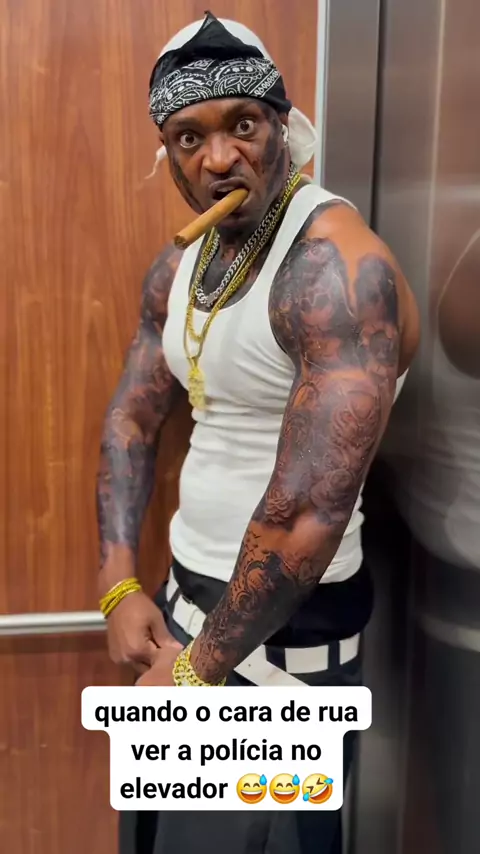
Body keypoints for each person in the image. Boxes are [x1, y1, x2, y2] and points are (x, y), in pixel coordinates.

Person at [96, 12, 420, 854]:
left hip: (290, 633)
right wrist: (119, 580)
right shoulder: (182, 265)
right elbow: (134, 414)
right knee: (156, 840)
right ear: (168, 154)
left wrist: (198, 669)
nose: (218, 159)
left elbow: (310, 508)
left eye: (242, 124)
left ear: (282, 125)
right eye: (189, 137)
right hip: (185, 601)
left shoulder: (333, 267)